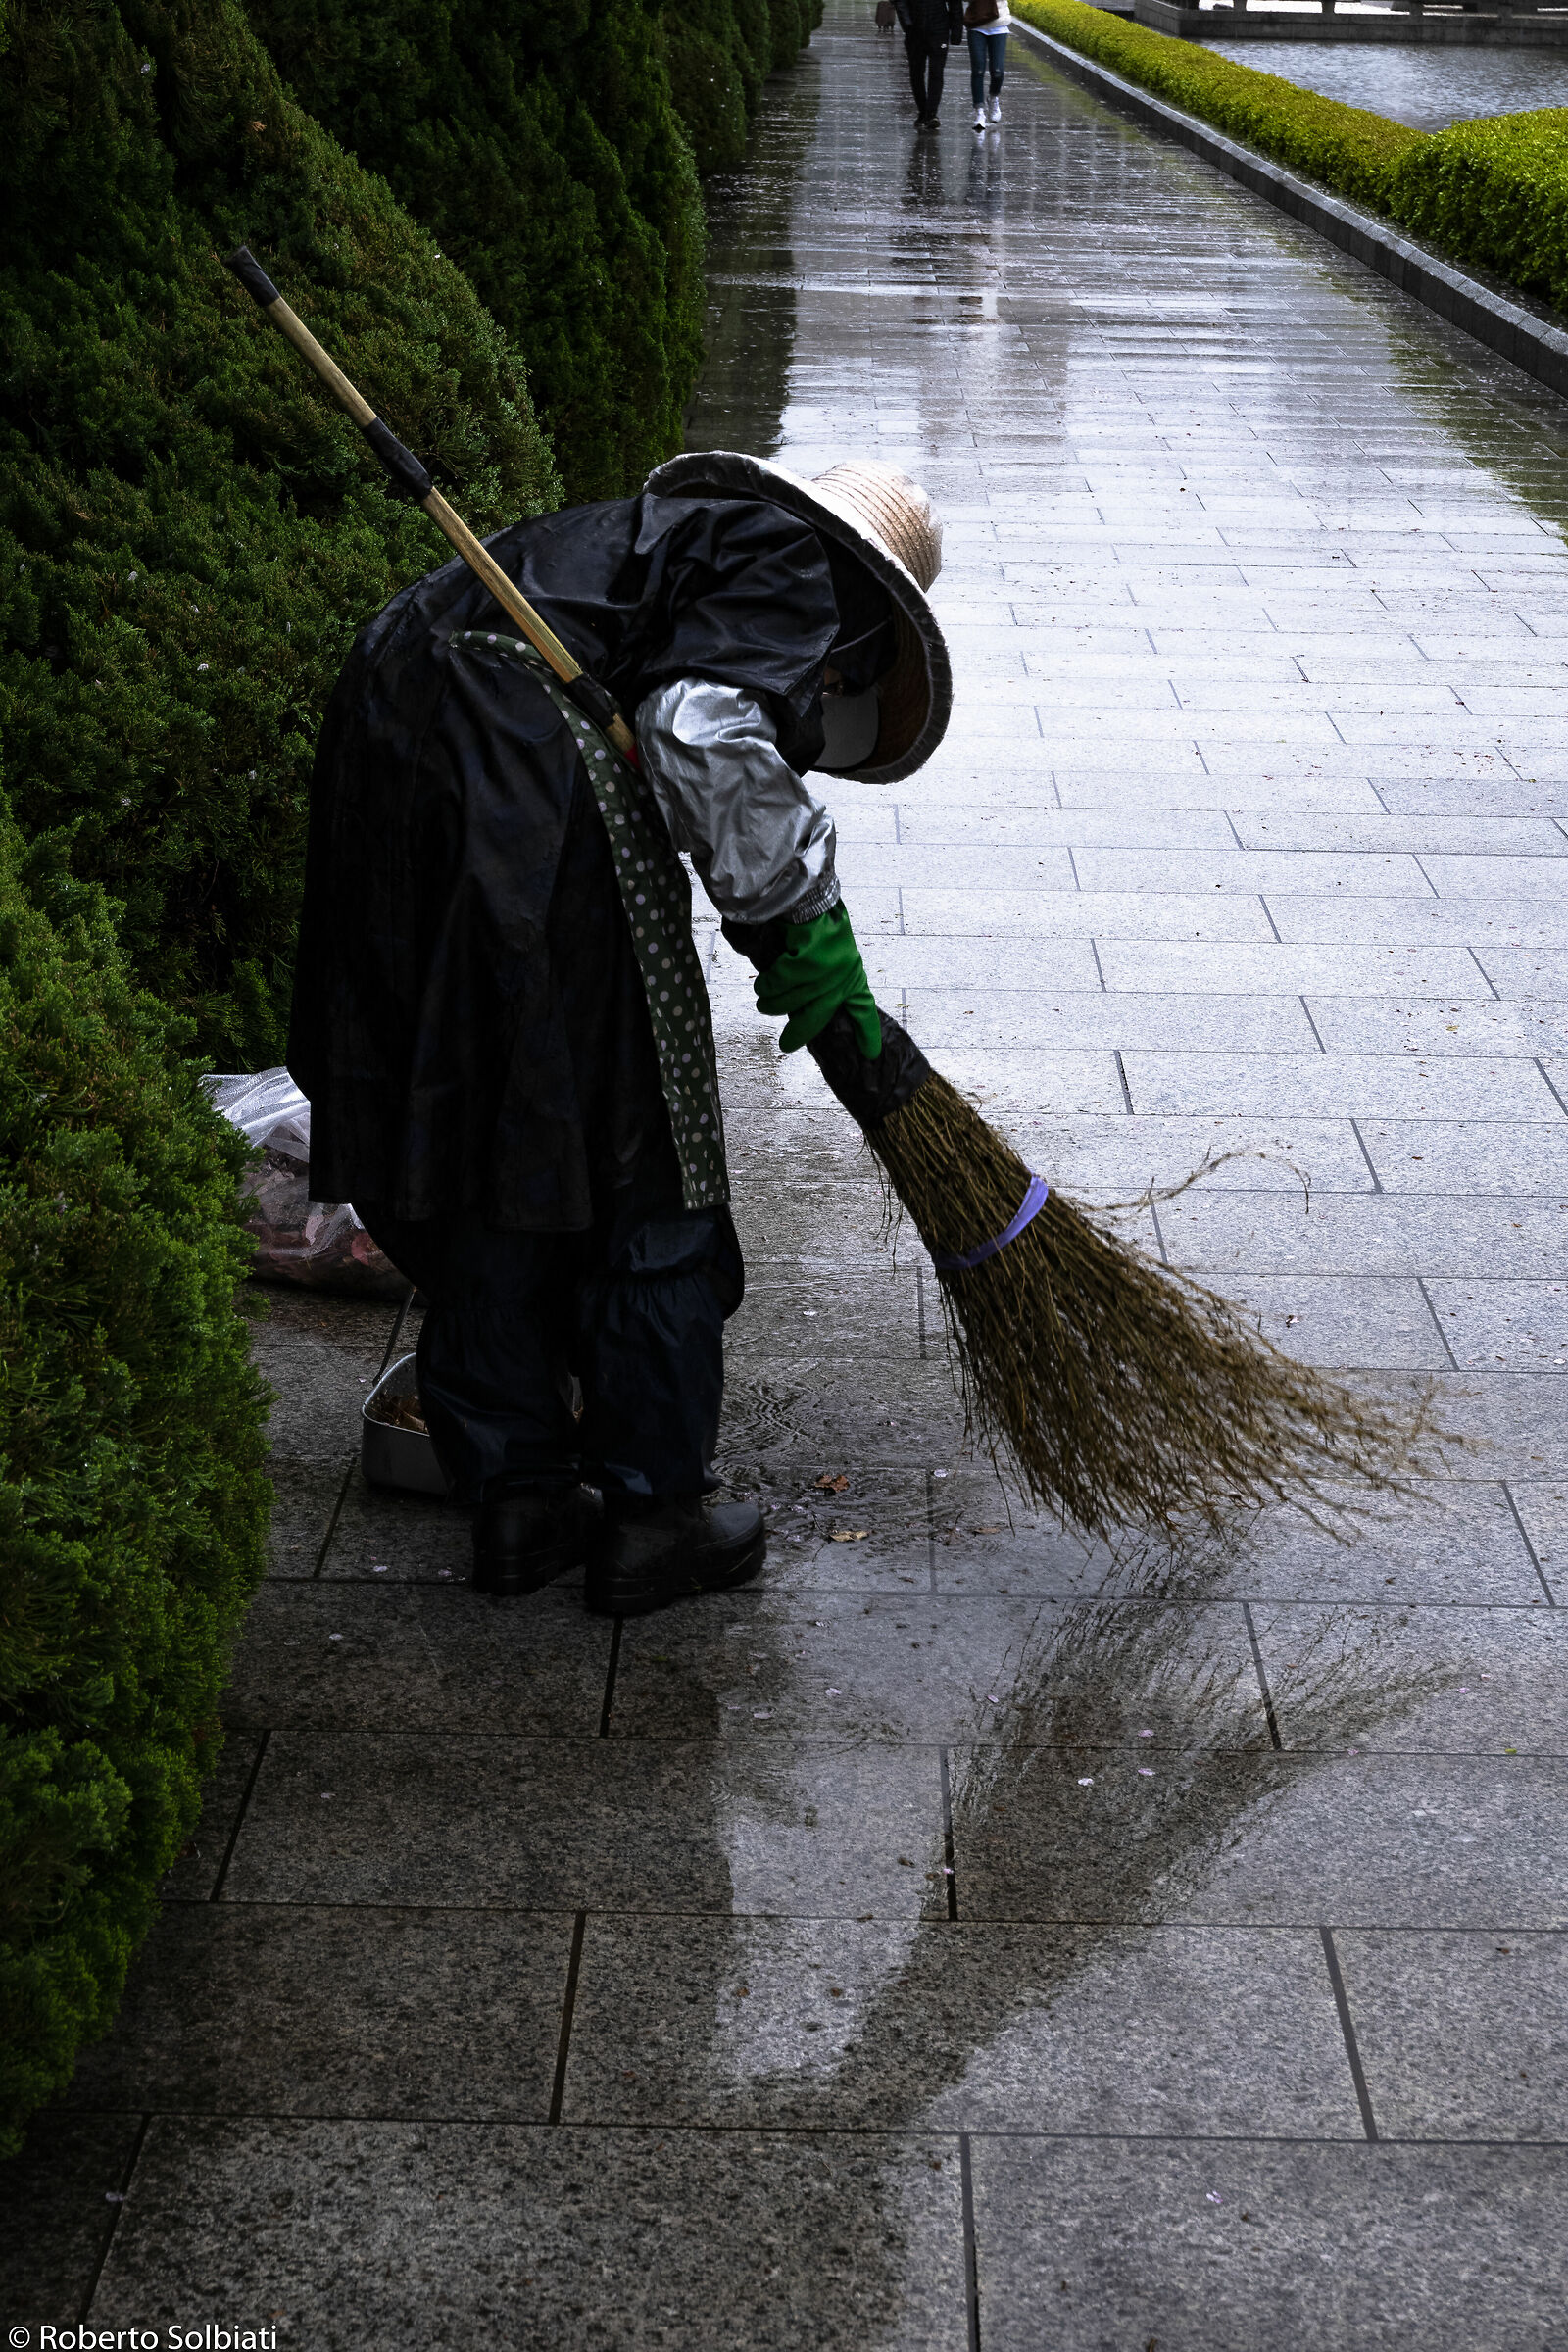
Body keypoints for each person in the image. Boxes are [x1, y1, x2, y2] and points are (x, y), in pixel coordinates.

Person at [289, 455, 951, 1618]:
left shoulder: (637, 539)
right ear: (866, 599)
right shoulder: (789, 567)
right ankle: (653, 1513)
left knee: (487, 1125)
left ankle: (518, 1501)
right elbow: (700, 730)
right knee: (648, 1147)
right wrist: (804, 936)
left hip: (389, 751)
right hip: (534, 783)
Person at [895, 0, 965, 126]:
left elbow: (955, 4)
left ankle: (931, 114)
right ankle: (923, 111)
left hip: (939, 29)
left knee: (936, 72)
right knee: (916, 72)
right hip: (915, 31)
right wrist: (907, 24)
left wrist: (956, 31)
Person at [966, 0, 1009, 126]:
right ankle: (979, 112)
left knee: (997, 71)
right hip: (976, 25)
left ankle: (993, 97)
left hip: (999, 24)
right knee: (978, 69)